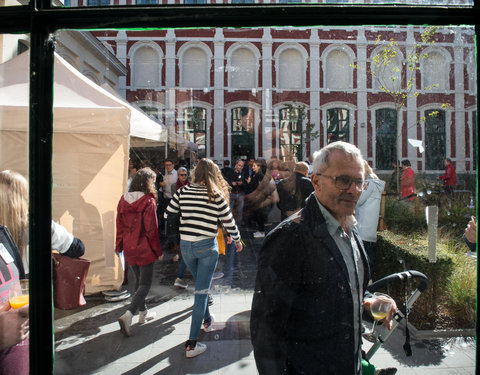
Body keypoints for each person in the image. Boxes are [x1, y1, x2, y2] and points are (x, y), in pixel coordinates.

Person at [250, 141, 397, 374]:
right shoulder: (290, 238)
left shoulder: (350, 226)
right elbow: (266, 332)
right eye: (343, 180)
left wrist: (367, 300)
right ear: (316, 182)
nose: (354, 190)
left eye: (359, 182)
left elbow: (339, 283)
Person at [164, 158, 243, 358]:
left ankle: (207, 320)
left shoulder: (183, 192)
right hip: (207, 247)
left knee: (201, 286)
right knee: (200, 292)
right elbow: (229, 222)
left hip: (186, 247)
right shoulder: (215, 194)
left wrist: (187, 216)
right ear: (213, 174)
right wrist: (238, 240)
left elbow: (167, 215)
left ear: (195, 173)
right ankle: (191, 344)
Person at [116, 167, 163, 337]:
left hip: (129, 247)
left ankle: (143, 314)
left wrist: (118, 245)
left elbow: (119, 226)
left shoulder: (123, 200)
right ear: (148, 182)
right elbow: (152, 230)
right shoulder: (148, 201)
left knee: (138, 281)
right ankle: (129, 315)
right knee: (145, 284)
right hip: (144, 247)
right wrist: (158, 250)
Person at [355, 161, 386, 272]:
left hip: (363, 225)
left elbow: (359, 200)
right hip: (369, 225)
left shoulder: (368, 184)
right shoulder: (374, 183)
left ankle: (368, 279)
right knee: (367, 253)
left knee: (364, 255)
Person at [171, 167, 190, 289]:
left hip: (187, 216)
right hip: (179, 215)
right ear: (178, 176)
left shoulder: (190, 186)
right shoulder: (175, 186)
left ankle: (180, 276)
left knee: (188, 253)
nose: (184, 176)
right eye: (182, 175)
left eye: (185, 174)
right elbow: (175, 201)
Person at [244, 160, 266, 238]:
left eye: (254, 166)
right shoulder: (255, 174)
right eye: (252, 166)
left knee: (260, 215)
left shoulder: (260, 175)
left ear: (259, 167)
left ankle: (262, 231)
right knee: (257, 214)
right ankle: (260, 230)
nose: (252, 167)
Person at [225, 159, 247, 227]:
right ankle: (229, 226)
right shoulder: (230, 172)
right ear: (236, 165)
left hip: (240, 194)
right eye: (239, 165)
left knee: (239, 212)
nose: (240, 167)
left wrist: (242, 183)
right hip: (232, 193)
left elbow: (246, 183)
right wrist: (231, 183)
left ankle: (238, 227)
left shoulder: (244, 173)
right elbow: (226, 180)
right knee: (229, 211)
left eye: (242, 166)